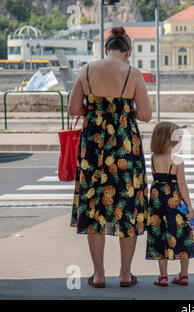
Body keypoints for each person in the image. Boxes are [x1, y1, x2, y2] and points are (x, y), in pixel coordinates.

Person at [68, 26, 152, 288]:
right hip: (124, 146)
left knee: (95, 208)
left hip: (94, 145)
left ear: (106, 49)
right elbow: (147, 115)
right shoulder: (133, 73)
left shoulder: (86, 70)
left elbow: (72, 109)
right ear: (127, 52)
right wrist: (124, 109)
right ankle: (126, 275)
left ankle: (99, 274)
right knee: (127, 206)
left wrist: (95, 107)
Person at [146, 121, 194, 287]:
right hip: (175, 202)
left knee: (159, 234)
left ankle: (162, 276)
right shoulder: (177, 160)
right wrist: (189, 206)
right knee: (182, 235)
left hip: (157, 202)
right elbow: (182, 184)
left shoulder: (154, 158)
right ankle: (183, 274)